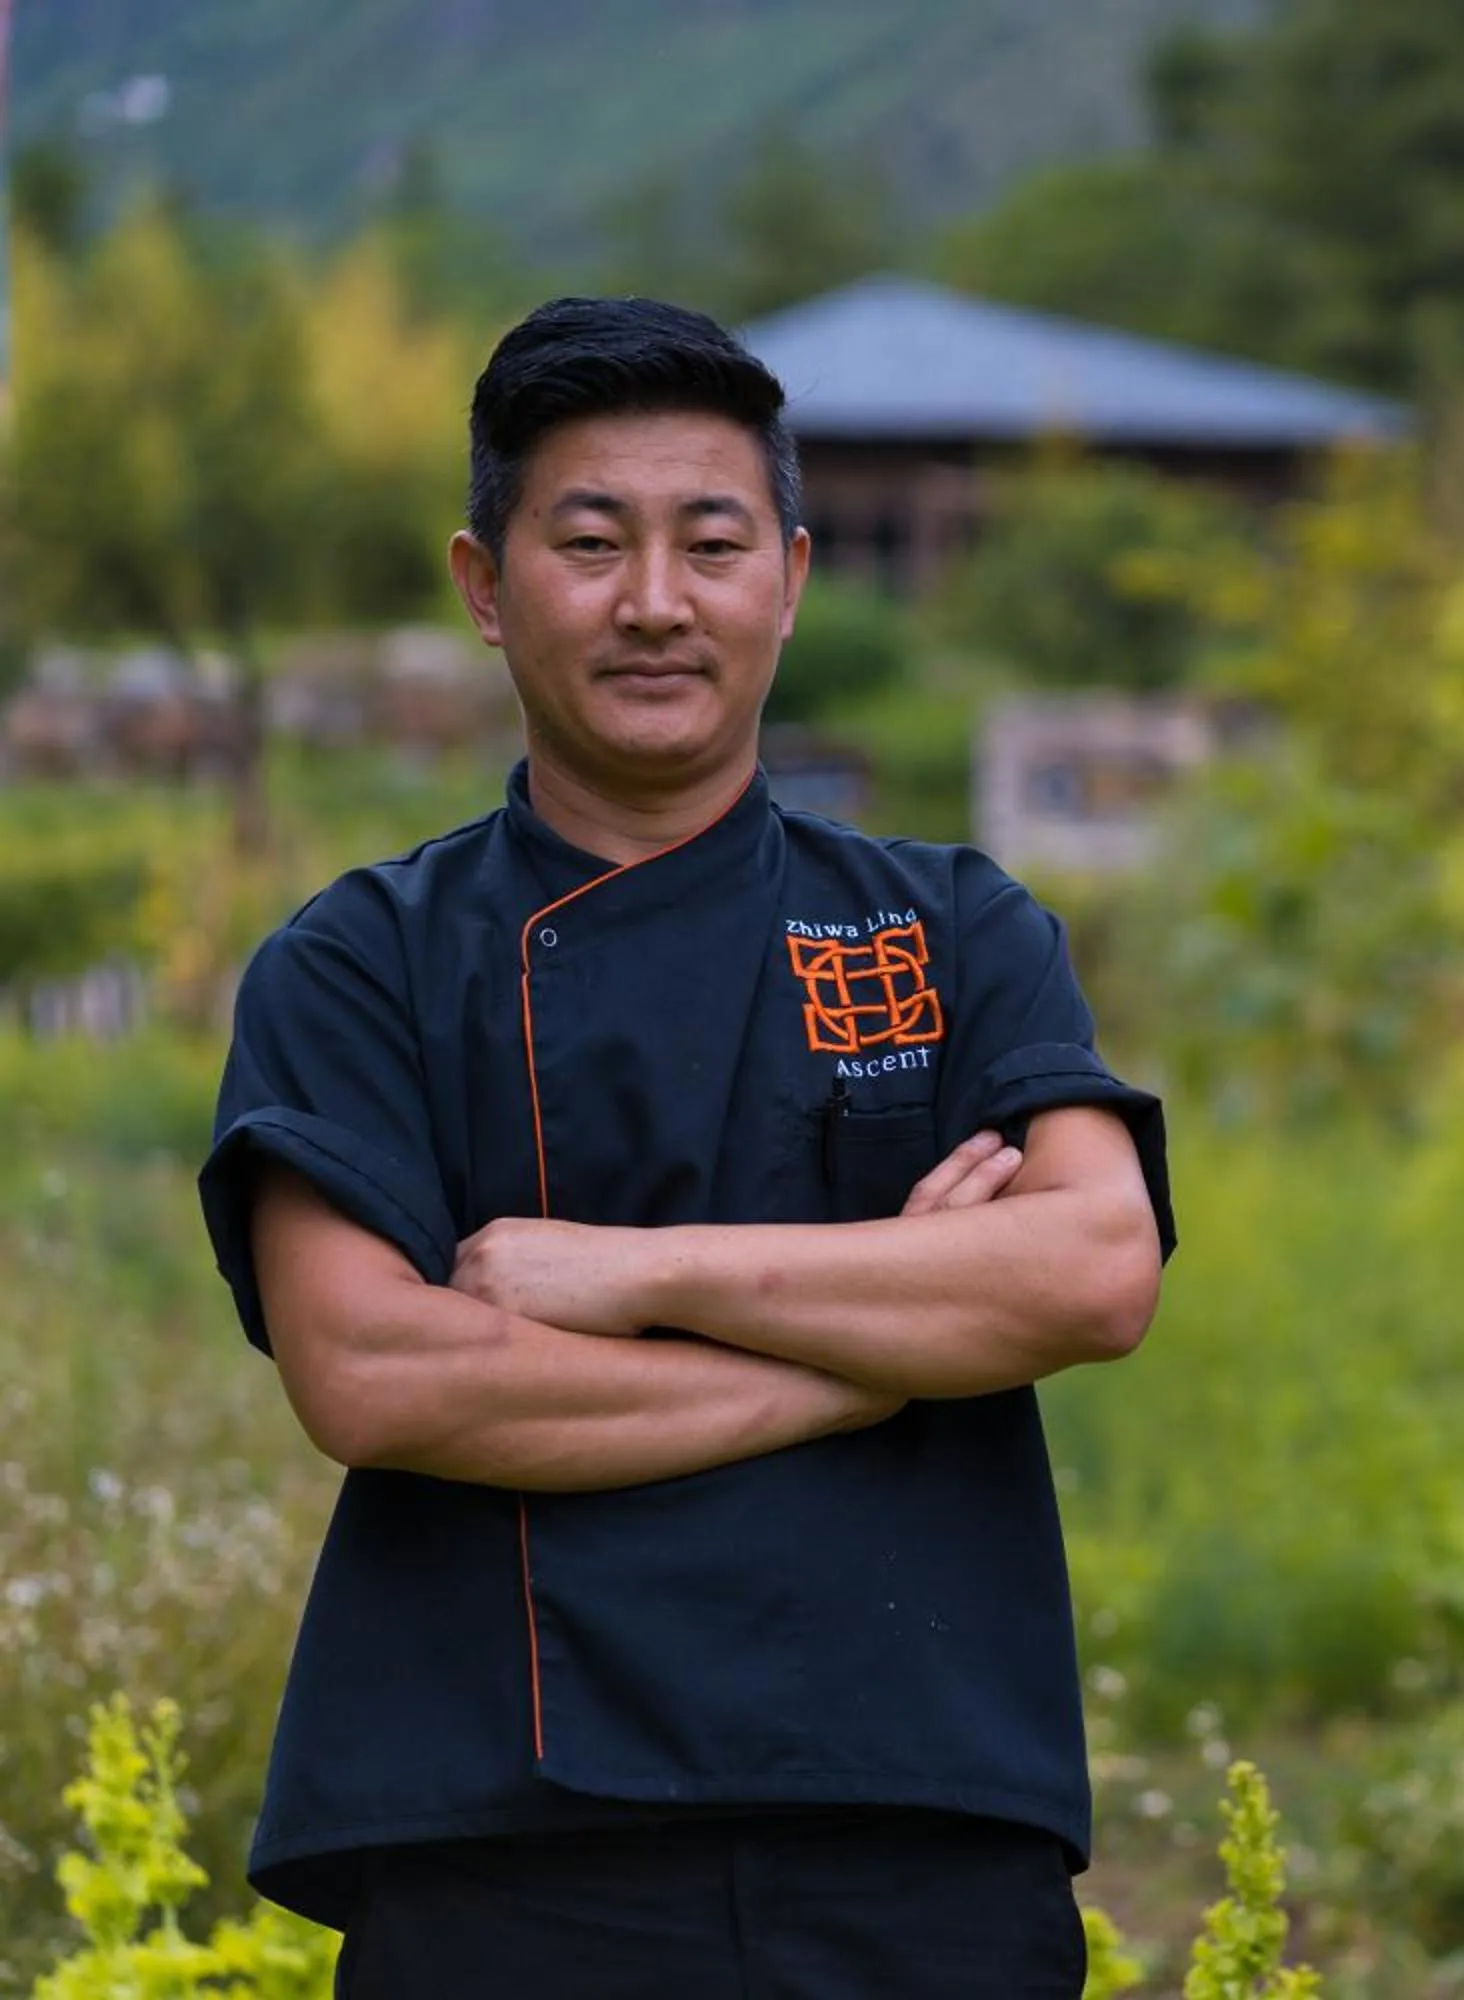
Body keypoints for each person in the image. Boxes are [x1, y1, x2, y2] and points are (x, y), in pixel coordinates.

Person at [196, 295, 1172, 1997]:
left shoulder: (949, 926)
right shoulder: (365, 961)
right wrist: (872, 1366)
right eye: (590, 542)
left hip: (917, 1825)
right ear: (485, 587)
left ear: (789, 578)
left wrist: (628, 1276)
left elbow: (1091, 1267)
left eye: (711, 542)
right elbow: (378, 1372)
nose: (656, 601)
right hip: (498, 1844)